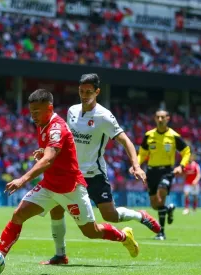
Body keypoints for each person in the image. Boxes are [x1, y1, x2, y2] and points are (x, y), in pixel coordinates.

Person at [0, 89, 139, 259]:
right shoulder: (43, 124)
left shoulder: (57, 128)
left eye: (36, 111)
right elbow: (54, 154)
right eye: (31, 111)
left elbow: (49, 160)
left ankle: (124, 236)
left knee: (91, 232)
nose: (32, 116)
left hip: (70, 189)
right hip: (49, 185)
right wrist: (44, 151)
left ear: (49, 109)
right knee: (18, 215)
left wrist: (23, 179)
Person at [39, 73, 160, 265]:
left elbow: (125, 140)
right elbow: (65, 141)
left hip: (94, 175)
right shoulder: (72, 111)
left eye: (89, 92)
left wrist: (136, 165)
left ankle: (139, 216)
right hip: (70, 174)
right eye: (81, 91)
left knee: (109, 215)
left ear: (97, 92)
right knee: (56, 210)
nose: (84, 95)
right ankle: (60, 255)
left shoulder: (104, 116)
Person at [136, 109, 191, 240]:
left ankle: (161, 233)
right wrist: (136, 165)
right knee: (155, 205)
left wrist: (182, 166)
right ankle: (168, 209)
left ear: (168, 118)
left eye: (163, 117)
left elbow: (186, 151)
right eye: (158, 117)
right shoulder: (149, 135)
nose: (160, 120)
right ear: (155, 119)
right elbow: (142, 153)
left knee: (161, 197)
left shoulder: (173, 136)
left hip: (167, 171)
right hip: (151, 172)